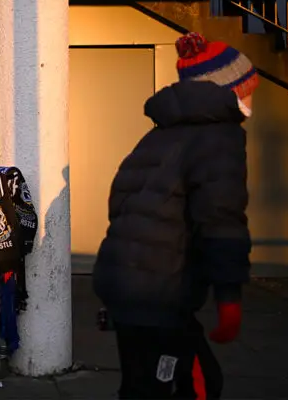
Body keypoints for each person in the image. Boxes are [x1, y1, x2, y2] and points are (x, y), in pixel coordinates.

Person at [92, 32, 255, 399]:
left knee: (144, 386)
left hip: (125, 288)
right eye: (247, 90)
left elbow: (121, 203)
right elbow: (221, 218)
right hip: (160, 296)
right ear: (227, 90)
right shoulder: (219, 137)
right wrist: (229, 295)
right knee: (194, 386)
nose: (249, 99)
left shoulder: (159, 136)